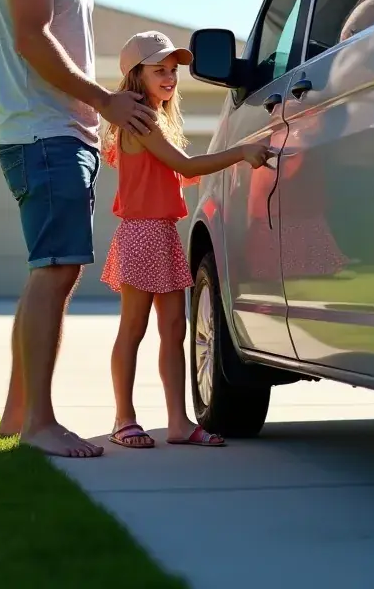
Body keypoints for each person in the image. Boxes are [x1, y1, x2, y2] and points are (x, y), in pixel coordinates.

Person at [0, 0, 157, 460]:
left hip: (62, 133)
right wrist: (107, 103)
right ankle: (40, 421)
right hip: (45, 132)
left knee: (50, 273)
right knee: (56, 272)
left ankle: (17, 417)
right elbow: (33, 41)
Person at [101, 31, 274, 448]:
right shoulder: (140, 120)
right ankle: (124, 419)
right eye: (159, 69)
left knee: (175, 329)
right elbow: (184, 163)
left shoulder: (158, 121)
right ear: (134, 76)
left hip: (162, 233)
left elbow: (185, 173)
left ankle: (177, 422)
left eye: (173, 70)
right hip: (142, 234)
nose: (170, 77)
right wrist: (242, 150)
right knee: (133, 329)